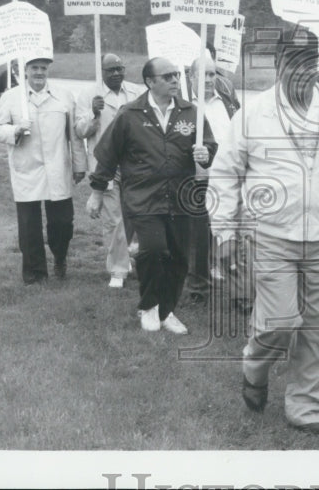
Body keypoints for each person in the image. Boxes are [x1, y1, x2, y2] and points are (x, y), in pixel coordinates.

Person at [206, 27, 319, 435]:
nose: (302, 71)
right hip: (271, 235)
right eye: (292, 62)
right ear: (279, 63)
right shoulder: (253, 113)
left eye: (309, 62)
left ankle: (305, 407)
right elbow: (225, 174)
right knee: (278, 322)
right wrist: (224, 234)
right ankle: (254, 367)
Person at [87, 56, 216, 335]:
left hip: (181, 197)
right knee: (154, 250)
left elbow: (209, 146)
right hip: (144, 197)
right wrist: (97, 192)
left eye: (176, 76)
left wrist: (206, 153)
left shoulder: (191, 111)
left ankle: (167, 310)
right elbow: (108, 155)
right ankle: (148, 306)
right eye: (167, 76)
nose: (174, 80)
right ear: (150, 82)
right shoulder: (129, 114)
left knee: (179, 257)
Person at [0, 53, 88, 284]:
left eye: (43, 68)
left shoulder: (63, 96)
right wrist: (14, 131)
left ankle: (60, 257)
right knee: (29, 226)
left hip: (57, 168)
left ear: (48, 70)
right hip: (27, 169)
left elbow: (73, 136)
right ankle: (35, 274)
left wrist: (79, 165)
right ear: (25, 70)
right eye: (34, 67)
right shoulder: (12, 97)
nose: (39, 72)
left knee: (62, 222)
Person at [74, 53, 145, 289]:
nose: (116, 73)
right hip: (106, 167)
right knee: (113, 218)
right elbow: (80, 132)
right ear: (101, 73)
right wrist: (94, 114)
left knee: (134, 214)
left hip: (135, 164)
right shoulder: (88, 95)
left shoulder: (136, 92)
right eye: (110, 70)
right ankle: (118, 268)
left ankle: (132, 254)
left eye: (119, 69)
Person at [183, 52, 239, 305]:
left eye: (212, 74)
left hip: (227, 176)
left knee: (229, 229)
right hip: (197, 177)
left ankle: (230, 278)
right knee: (199, 232)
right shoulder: (184, 105)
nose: (208, 79)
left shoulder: (226, 102)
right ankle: (198, 285)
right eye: (203, 74)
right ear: (191, 76)